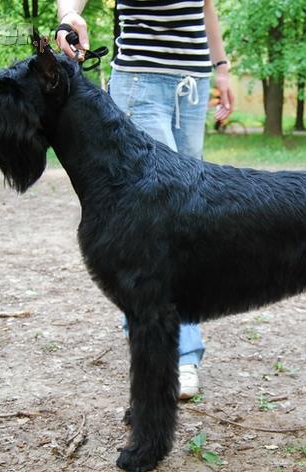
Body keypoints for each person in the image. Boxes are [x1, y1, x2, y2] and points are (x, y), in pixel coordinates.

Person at [56, 0, 234, 400]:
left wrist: (221, 67)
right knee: (152, 222)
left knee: (188, 217)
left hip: (194, 82)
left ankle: (155, 334)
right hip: (141, 82)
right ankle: (177, 355)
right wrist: (69, 16)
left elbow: (205, 6)